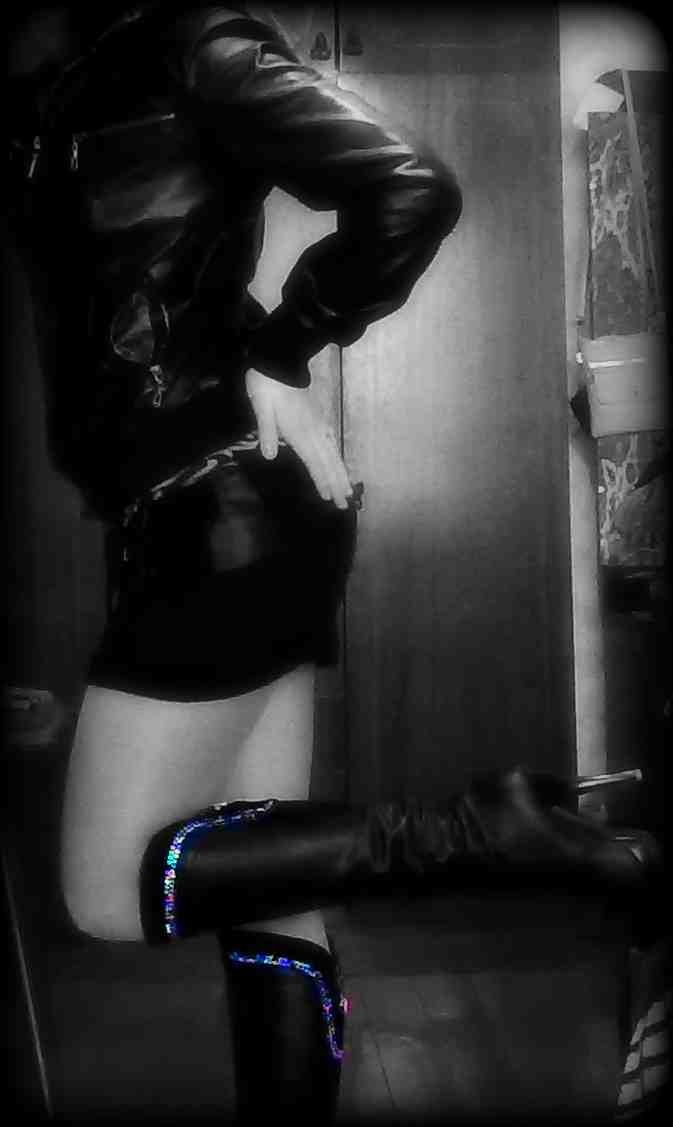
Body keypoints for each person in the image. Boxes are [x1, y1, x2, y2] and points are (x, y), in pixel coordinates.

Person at [8, 4, 660, 1121]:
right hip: (221, 506)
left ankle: (489, 832)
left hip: (213, 506)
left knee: (108, 891)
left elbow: (412, 186)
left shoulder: (190, 47)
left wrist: (281, 347)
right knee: (274, 885)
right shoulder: (52, 86)